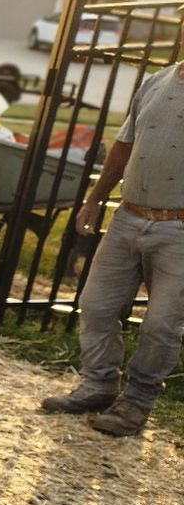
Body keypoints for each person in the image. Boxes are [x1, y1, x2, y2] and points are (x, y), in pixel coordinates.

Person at [42, 61, 184, 436]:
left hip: (180, 230)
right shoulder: (157, 81)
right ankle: (99, 384)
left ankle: (137, 402)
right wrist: (94, 200)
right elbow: (124, 145)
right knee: (97, 304)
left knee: (162, 324)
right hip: (128, 217)